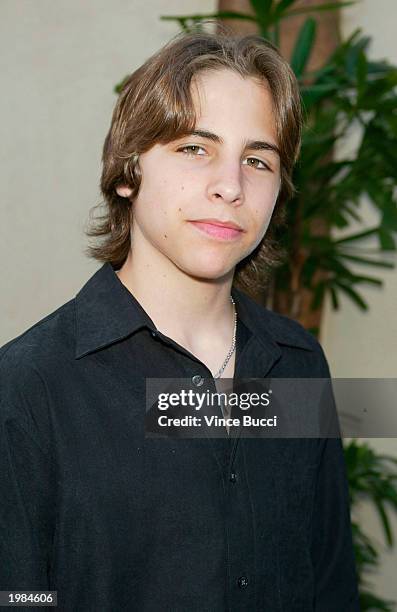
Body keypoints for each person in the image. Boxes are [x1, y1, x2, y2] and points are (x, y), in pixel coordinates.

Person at [0, 25, 360, 611]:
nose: (230, 186)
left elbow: (329, 583)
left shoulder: (298, 364)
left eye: (258, 160)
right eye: (195, 148)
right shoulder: (30, 384)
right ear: (126, 172)